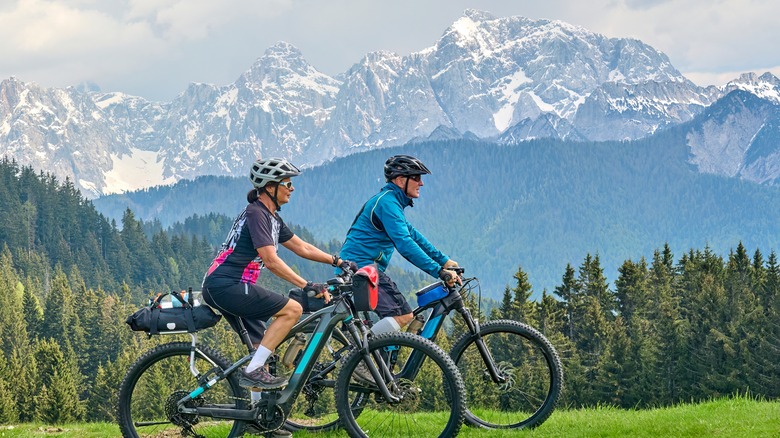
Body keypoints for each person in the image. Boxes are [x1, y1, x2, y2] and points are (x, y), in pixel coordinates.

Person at [202, 157, 349, 395]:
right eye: (287, 184)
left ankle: (260, 419)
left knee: (263, 351)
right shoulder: (256, 214)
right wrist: (307, 284)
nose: (292, 189)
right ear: (271, 187)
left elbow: (303, 247)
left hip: (230, 287)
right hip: (227, 285)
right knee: (292, 310)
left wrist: (337, 261)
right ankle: (253, 370)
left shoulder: (271, 218)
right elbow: (270, 260)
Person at [339, 154, 460, 337]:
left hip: (360, 267)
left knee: (386, 325)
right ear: (401, 179)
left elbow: (414, 236)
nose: (421, 183)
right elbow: (405, 244)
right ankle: (359, 356)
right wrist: (439, 271)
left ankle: (364, 355)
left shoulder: (391, 202)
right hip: (361, 269)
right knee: (402, 315)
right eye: (417, 178)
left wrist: (444, 261)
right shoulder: (388, 203)